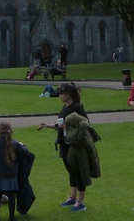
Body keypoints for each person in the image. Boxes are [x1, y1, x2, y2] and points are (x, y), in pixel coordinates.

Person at [37, 82, 98, 213]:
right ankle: (73, 197)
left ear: (68, 94)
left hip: (74, 144)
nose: (59, 95)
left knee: (78, 171)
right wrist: (48, 125)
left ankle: (81, 202)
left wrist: (69, 126)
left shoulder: (76, 107)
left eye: (61, 93)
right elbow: (62, 124)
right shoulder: (66, 106)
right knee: (71, 171)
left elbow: (85, 123)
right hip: (64, 143)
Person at [0, 121, 21, 220]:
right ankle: (11, 217)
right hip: (12, 174)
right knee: (11, 195)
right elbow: (23, 155)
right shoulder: (14, 143)